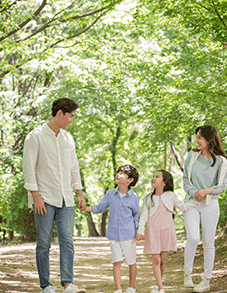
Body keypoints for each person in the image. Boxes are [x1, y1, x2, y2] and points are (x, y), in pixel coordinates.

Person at [22, 98, 87, 293]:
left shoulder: (68, 138)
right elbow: (28, 168)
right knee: (44, 242)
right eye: (70, 116)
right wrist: (35, 196)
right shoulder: (35, 137)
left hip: (66, 198)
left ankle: (68, 284)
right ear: (59, 113)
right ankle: (46, 285)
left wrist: (79, 193)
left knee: (67, 240)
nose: (71, 120)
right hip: (44, 198)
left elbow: (74, 167)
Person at [182, 125, 227, 293]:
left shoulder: (222, 162)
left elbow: (222, 186)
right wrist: (195, 193)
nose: (197, 140)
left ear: (209, 140)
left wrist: (205, 191)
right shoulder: (192, 156)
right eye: (196, 137)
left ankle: (206, 280)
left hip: (211, 204)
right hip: (192, 202)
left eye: (200, 137)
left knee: (209, 243)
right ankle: (187, 273)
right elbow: (185, 180)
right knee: (193, 238)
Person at [80, 164, 140, 293]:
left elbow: (136, 215)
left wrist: (138, 231)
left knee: (131, 262)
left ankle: (131, 288)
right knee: (116, 262)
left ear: (130, 180)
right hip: (113, 234)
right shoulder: (110, 194)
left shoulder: (134, 198)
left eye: (122, 173)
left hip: (129, 235)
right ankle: (118, 289)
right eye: (118, 172)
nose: (118, 174)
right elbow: (100, 207)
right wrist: (86, 208)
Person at [135, 170, 194, 293]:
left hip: (167, 230)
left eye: (157, 176)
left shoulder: (171, 196)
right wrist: (140, 231)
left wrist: (195, 201)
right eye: (153, 176)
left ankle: (158, 284)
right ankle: (161, 288)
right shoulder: (148, 198)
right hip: (152, 231)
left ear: (164, 182)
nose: (153, 178)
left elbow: (183, 207)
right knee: (156, 259)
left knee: (163, 260)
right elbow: (144, 216)